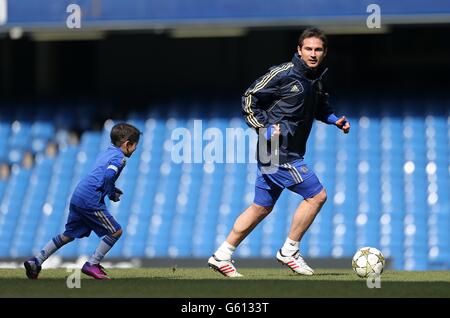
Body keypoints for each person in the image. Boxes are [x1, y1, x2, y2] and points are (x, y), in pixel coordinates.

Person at [208, 27, 350, 277]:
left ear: (324, 52)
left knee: (260, 207)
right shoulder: (283, 73)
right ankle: (289, 251)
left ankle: (222, 255)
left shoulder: (316, 79)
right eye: (308, 49)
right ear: (299, 50)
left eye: (318, 49)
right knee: (317, 196)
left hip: (288, 151)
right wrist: (263, 126)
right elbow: (249, 97)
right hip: (276, 150)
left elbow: (320, 108)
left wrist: (335, 120)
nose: (313, 53)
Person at [24, 123, 141, 280]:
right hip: (90, 199)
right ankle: (92, 263)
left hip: (78, 195)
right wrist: (111, 193)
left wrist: (111, 189)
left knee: (68, 235)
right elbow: (107, 176)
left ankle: (36, 260)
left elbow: (103, 175)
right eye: (135, 146)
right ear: (128, 144)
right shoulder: (119, 158)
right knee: (115, 231)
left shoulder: (107, 152)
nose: (135, 150)